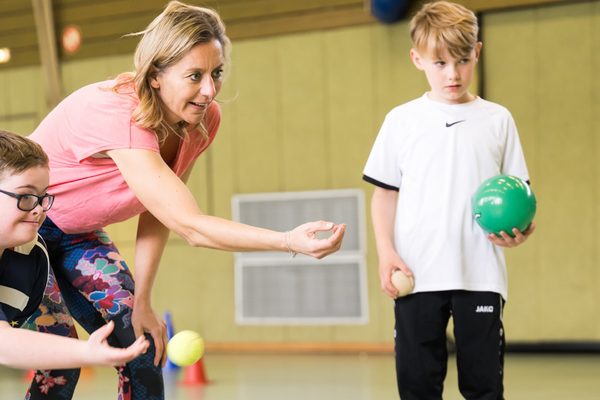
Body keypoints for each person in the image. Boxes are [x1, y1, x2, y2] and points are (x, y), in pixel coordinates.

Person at [29, 1, 345, 399]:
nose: (210, 90)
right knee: (60, 364)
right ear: (156, 76)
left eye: (216, 73)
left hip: (79, 233)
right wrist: (286, 241)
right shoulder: (118, 111)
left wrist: (142, 298)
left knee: (142, 347)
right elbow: (190, 225)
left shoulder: (200, 121)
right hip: (21, 232)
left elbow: (161, 212)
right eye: (195, 75)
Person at [362, 1, 535, 399]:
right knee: (418, 386)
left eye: (461, 59)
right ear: (416, 59)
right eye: (439, 63)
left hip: (481, 274)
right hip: (416, 274)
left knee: (484, 387)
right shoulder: (401, 121)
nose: (452, 74)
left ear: (477, 51)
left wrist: (520, 231)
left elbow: (519, 195)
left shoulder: (497, 119)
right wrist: (386, 253)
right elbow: (384, 194)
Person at [0, 130, 149, 396]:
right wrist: (85, 351)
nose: (39, 209)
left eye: (43, 196)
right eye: (25, 196)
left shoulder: (31, 258)